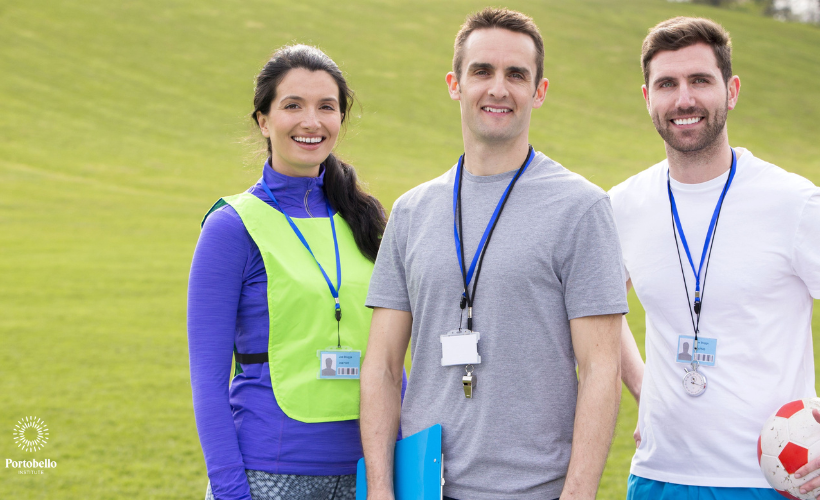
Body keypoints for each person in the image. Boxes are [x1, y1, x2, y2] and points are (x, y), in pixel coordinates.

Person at [608, 17, 820, 500]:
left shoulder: (793, 202)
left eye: (700, 80)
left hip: (768, 482)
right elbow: (605, 313)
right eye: (667, 84)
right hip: (657, 477)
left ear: (732, 90)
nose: (684, 99)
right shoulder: (623, 204)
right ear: (647, 97)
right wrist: (644, 390)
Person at [359, 7, 629, 500]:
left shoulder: (582, 207)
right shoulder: (412, 211)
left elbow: (600, 371)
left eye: (516, 75)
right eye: (482, 71)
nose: (498, 89)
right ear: (455, 83)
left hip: (534, 491)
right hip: (423, 487)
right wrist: (379, 490)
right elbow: (380, 366)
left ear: (539, 91)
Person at [188, 44, 390, 500]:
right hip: (271, 475)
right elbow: (208, 379)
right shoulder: (231, 226)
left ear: (341, 119)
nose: (311, 121)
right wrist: (230, 491)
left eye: (326, 107)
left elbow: (393, 355)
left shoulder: (368, 220)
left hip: (371, 474)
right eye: (292, 105)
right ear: (263, 120)